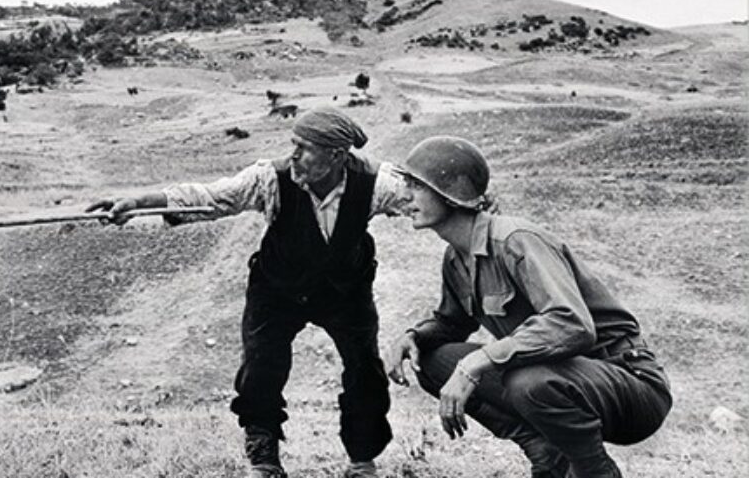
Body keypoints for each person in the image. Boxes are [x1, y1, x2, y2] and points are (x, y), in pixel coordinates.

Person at [87, 107, 410, 478]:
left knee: (364, 370)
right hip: (278, 289)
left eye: (303, 148)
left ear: (336, 155)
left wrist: (476, 208)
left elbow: (426, 199)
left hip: (344, 290)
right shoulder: (270, 179)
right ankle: (265, 461)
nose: (293, 156)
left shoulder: (376, 182)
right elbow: (210, 198)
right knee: (261, 368)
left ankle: (362, 460)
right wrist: (138, 203)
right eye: (293, 145)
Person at [384, 136, 672, 478]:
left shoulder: (515, 241)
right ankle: (546, 453)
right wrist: (414, 337)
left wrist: (478, 362)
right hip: (560, 380)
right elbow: (451, 325)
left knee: (527, 381)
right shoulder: (456, 258)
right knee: (432, 360)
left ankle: (593, 470)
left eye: (415, 186)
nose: (403, 196)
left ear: (450, 193)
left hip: (629, 385)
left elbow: (572, 324)